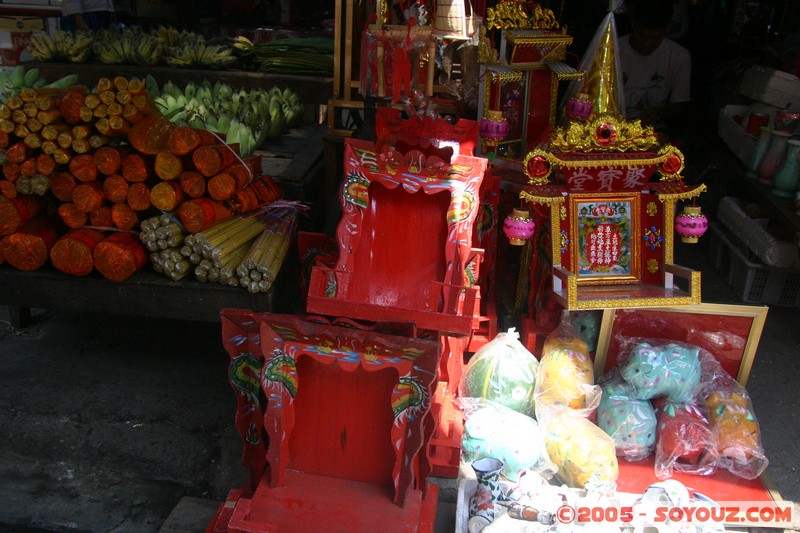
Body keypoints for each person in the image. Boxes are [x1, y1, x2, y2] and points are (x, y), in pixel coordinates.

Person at [618, 0, 692, 135]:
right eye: (642, 36)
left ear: (667, 29)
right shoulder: (613, 50)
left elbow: (680, 104)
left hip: (655, 130)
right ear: (633, 25)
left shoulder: (678, 56)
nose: (647, 44)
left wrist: (658, 113)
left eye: (655, 38)